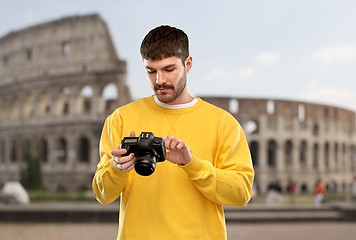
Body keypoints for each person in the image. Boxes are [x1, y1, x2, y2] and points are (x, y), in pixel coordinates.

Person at [92, 25, 255, 240]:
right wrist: (117, 168)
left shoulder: (223, 123)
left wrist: (192, 164)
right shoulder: (120, 119)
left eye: (169, 69)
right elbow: (102, 194)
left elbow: (241, 193)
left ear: (188, 64)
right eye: (151, 71)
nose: (159, 80)